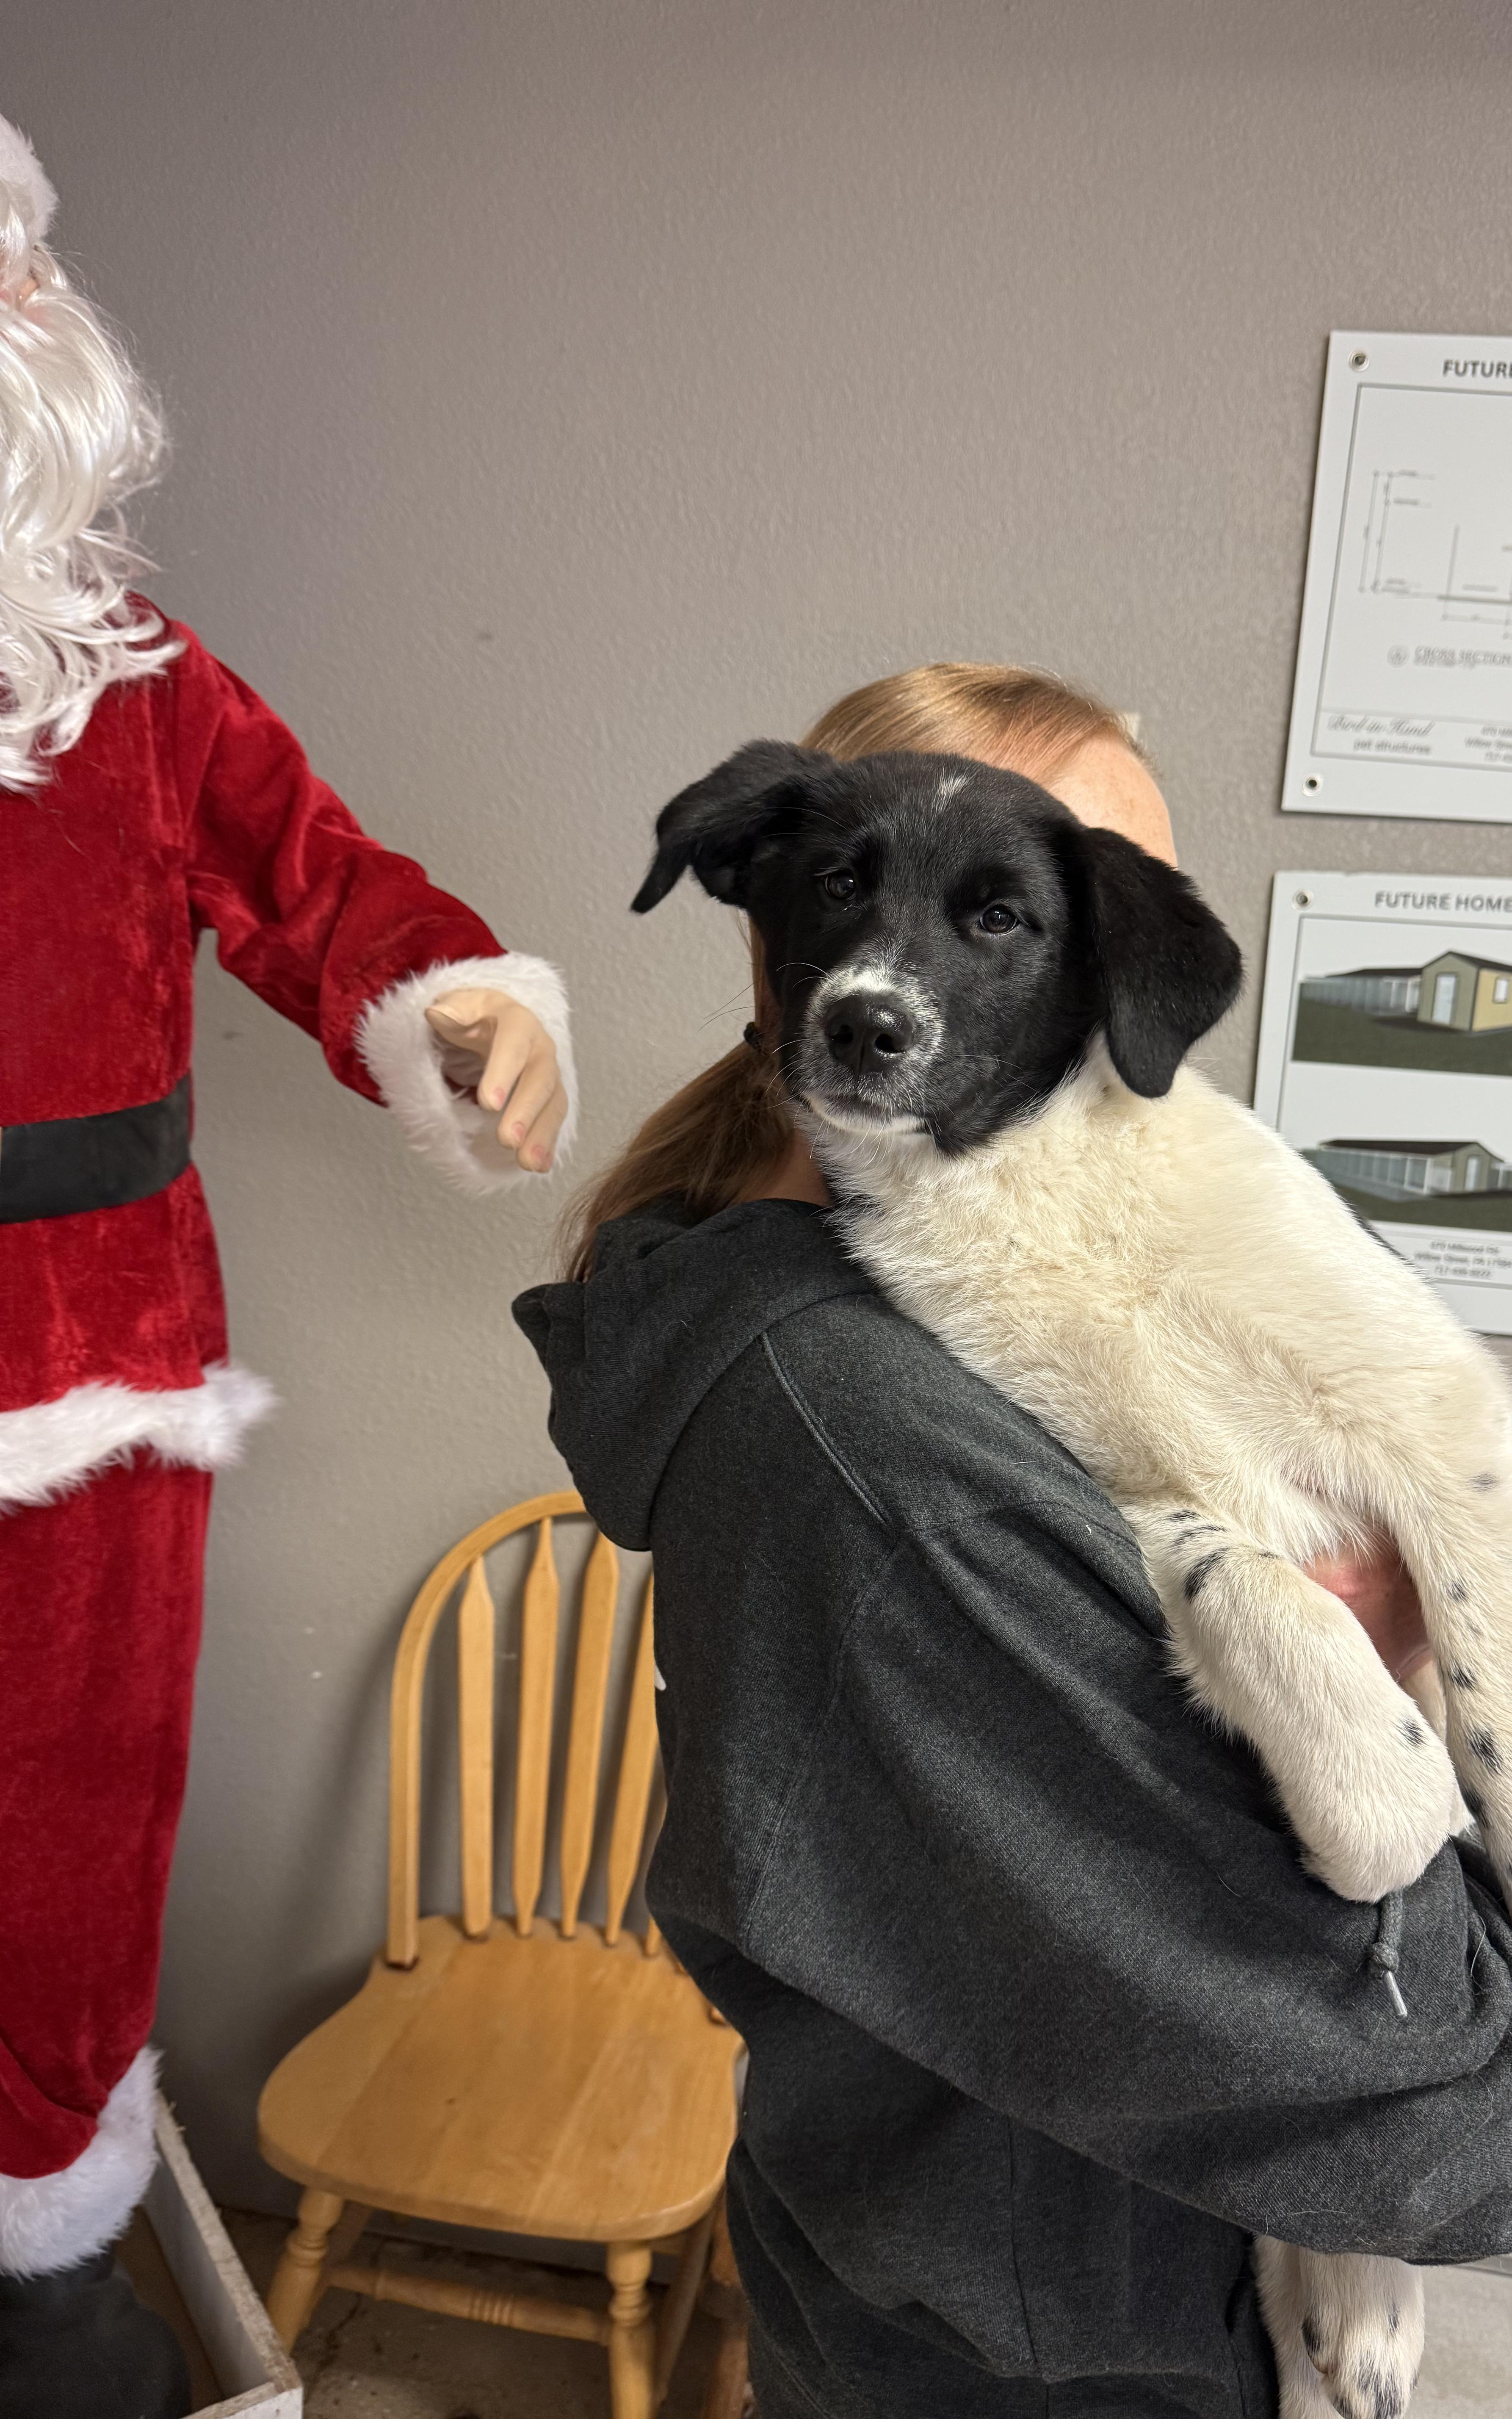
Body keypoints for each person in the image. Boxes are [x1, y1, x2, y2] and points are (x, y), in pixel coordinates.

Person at [517, 664, 1512, 2419]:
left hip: (941, 2262)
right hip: (1069, 2340)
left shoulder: (1015, 1302)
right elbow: (1443, 2128)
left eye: (1061, 915)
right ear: (784, 919)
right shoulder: (895, 1466)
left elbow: (1477, 1470)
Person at [0, 113, 574, 2415]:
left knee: (57, 1843)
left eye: (16, 281)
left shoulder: (128, 673)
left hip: (97, 1371)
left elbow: (330, 891)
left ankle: (34, 2283)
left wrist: (467, 1009)